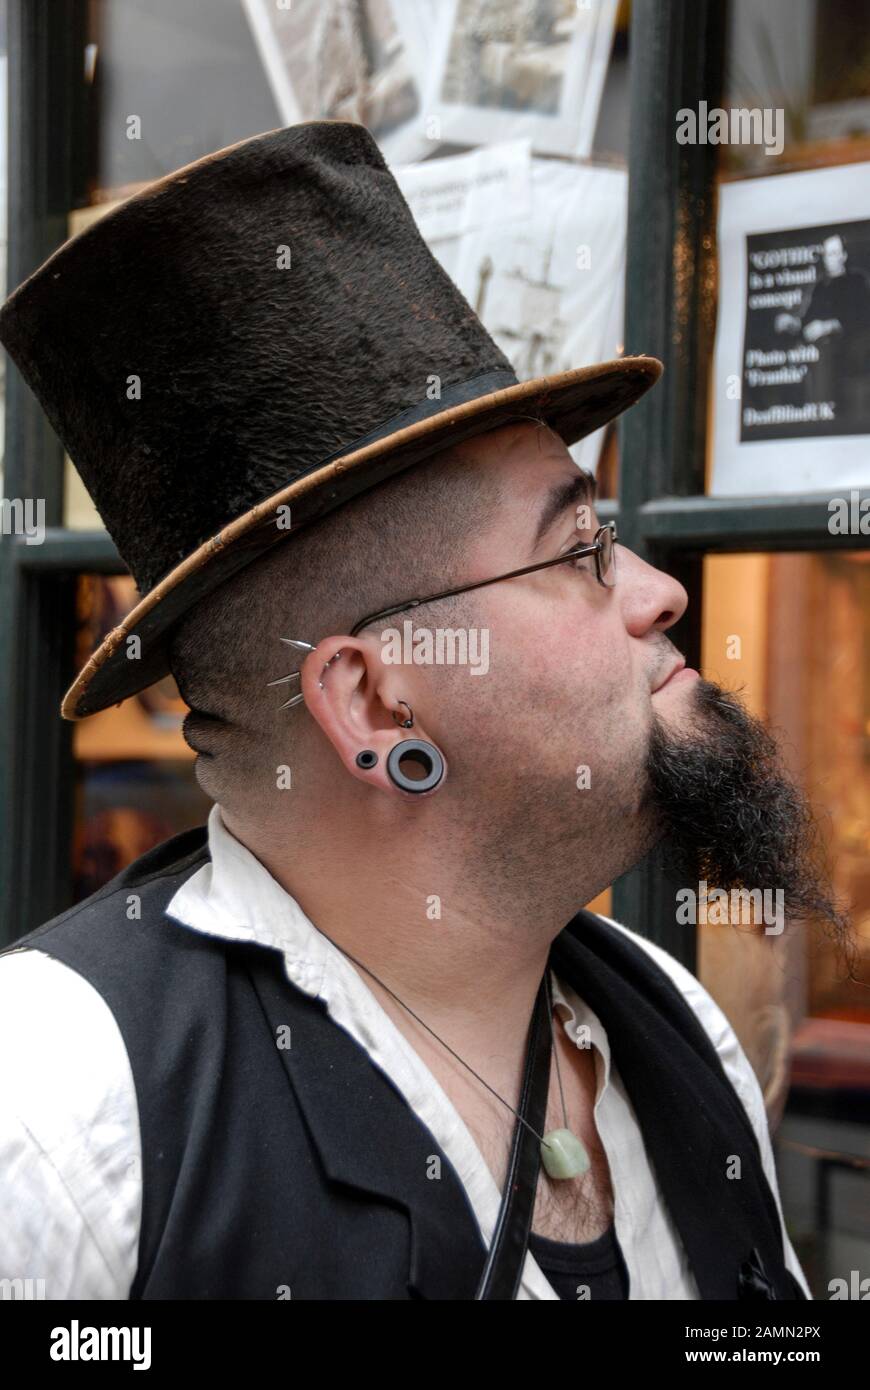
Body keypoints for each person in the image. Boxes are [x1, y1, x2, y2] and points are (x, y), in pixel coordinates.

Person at [0, 121, 848, 1301]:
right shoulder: (59, 1108)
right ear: (373, 698)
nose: (662, 591)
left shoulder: (672, 1025)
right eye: (582, 550)